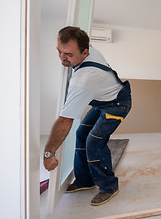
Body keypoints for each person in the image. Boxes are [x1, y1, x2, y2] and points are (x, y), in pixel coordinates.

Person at [43, 26, 131, 206]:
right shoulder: (89, 51)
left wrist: (48, 153)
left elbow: (64, 120)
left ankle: (108, 186)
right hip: (102, 101)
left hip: (117, 105)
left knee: (94, 142)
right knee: (81, 134)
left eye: (68, 54)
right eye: (59, 51)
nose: (62, 57)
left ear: (85, 53)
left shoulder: (83, 79)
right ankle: (85, 180)